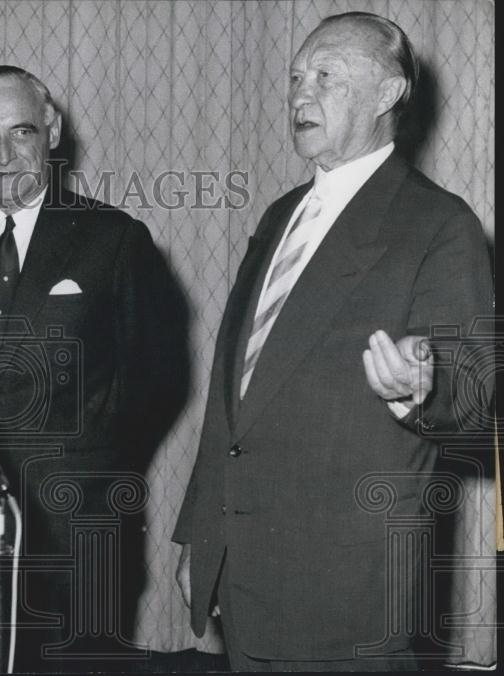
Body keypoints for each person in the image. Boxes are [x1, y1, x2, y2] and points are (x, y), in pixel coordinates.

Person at [172, 12, 494, 672]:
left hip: (348, 597)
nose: (299, 94)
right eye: (294, 77)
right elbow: (235, 396)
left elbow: (474, 394)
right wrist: (200, 538)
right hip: (246, 570)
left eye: (326, 77)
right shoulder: (278, 216)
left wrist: (422, 388)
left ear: (387, 95)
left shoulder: (439, 224)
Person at [0, 65, 183, 672]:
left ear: (52, 131)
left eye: (21, 132)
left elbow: (156, 377)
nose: (2, 156)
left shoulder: (114, 238)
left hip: (77, 523)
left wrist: (88, 465)